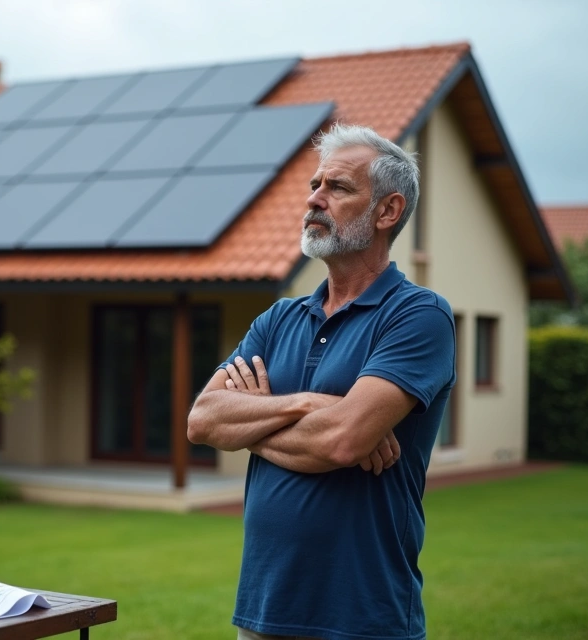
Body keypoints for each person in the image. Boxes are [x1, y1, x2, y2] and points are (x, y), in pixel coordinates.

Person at [187, 122, 456, 640]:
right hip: (262, 612)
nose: (314, 199)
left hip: (362, 617)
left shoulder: (418, 316)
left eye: (337, 187)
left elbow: (342, 440)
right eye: (314, 185)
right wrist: (312, 403)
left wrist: (257, 424)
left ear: (388, 211)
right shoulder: (278, 319)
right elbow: (203, 420)